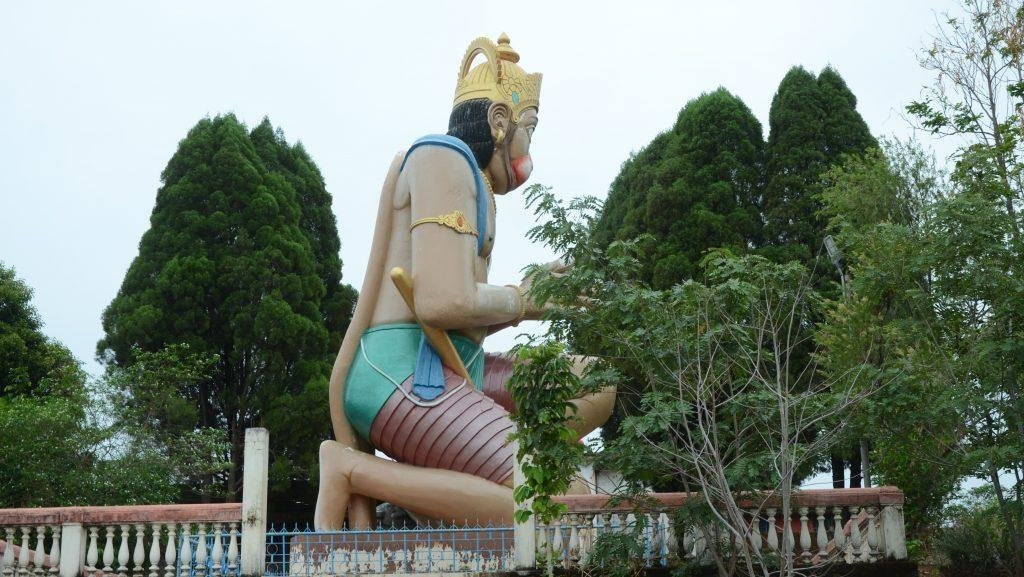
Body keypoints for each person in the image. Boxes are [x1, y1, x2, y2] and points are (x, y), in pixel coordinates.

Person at [314, 34, 614, 530]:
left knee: (597, 382)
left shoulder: (476, 186)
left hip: (457, 366)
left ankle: (482, 465)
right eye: (529, 129)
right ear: (500, 122)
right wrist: (524, 300)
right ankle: (353, 470)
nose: (529, 146)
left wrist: (524, 293)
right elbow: (437, 303)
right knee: (557, 505)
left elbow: (459, 320)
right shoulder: (443, 159)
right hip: (404, 374)